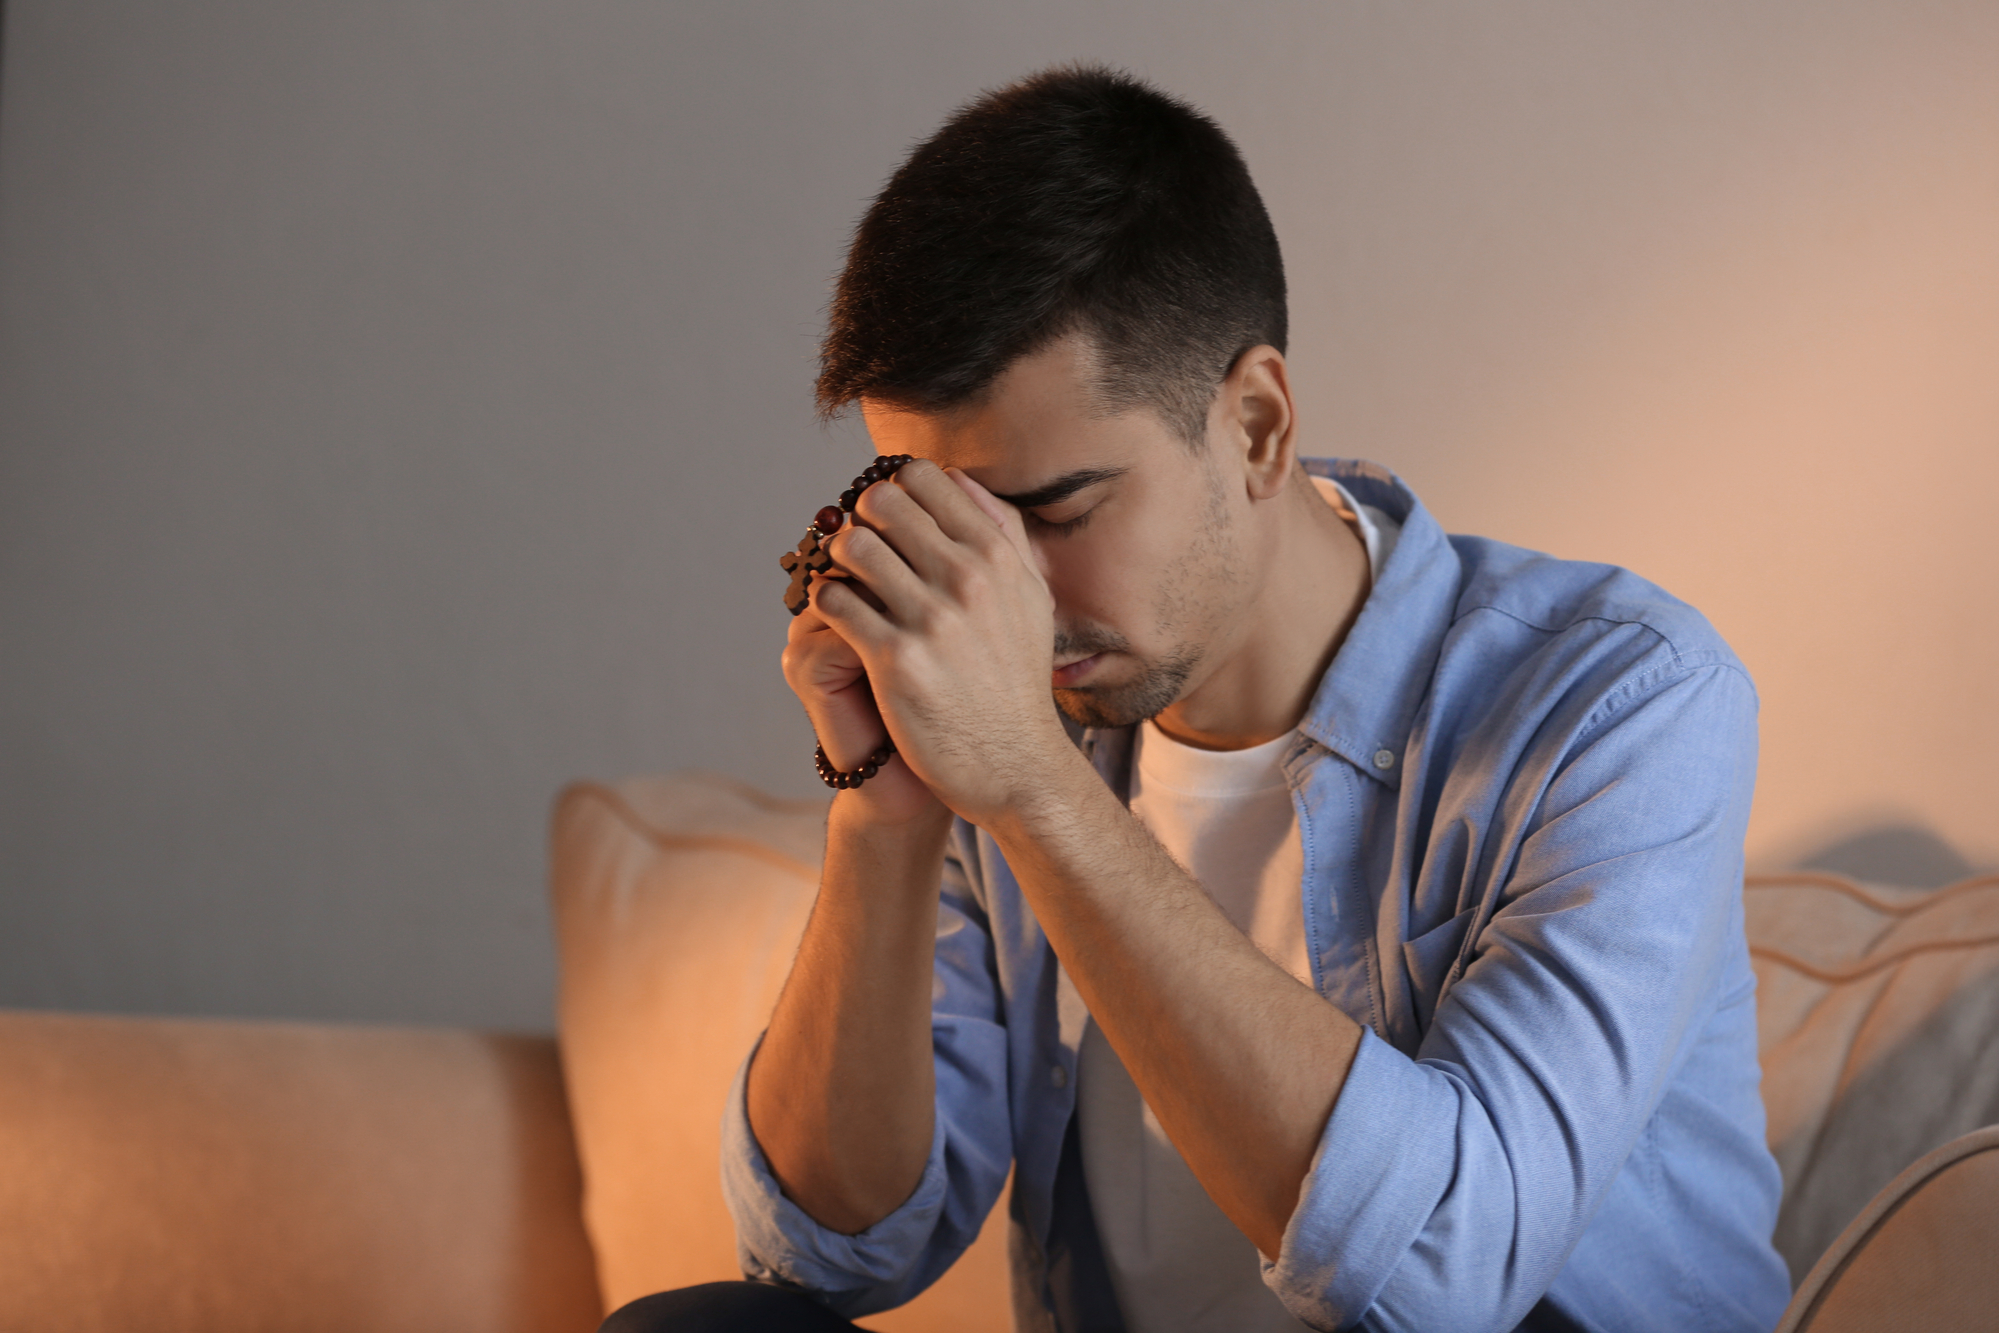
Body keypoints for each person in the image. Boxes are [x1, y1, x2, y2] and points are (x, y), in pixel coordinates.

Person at [605, 65, 1790, 1333]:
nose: (996, 595)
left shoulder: (1621, 701)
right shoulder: (993, 717)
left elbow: (1442, 1277)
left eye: (1055, 510)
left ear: (1257, 426)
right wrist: (883, 814)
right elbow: (829, 1256)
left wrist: (1036, 791)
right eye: (949, 525)